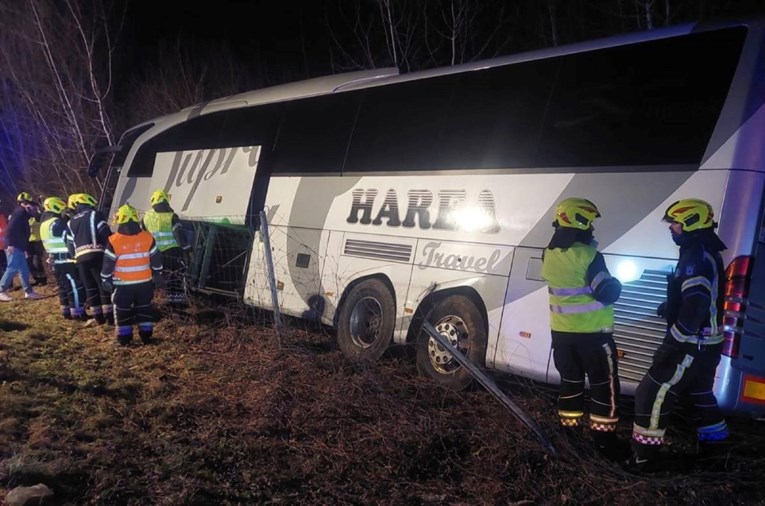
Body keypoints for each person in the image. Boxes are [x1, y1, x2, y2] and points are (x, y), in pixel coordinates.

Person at [628, 198, 729, 470]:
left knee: (651, 392)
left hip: (692, 345)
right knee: (700, 396)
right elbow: (698, 299)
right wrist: (670, 306)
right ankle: (717, 454)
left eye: (675, 222)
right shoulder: (702, 251)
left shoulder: (696, 258)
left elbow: (694, 309)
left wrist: (671, 345)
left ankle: (645, 459)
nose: (671, 228)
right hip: (708, 345)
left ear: (691, 222)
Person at [541, 197, 623, 459]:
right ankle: (604, 443)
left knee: (570, 385)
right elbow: (606, 291)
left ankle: (569, 437)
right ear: (579, 222)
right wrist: (617, 283)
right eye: (589, 223)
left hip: (562, 337)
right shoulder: (591, 256)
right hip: (594, 338)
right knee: (604, 387)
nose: (592, 229)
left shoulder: (549, 254)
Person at [101, 204, 162, 345]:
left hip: (122, 285)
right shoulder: (148, 237)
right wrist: (158, 274)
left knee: (122, 310)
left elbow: (108, 264)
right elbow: (156, 259)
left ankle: (124, 339)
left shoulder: (113, 240)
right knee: (144, 308)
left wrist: (105, 279)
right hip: (145, 283)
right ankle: (146, 336)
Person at [64, 193, 113, 324]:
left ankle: (98, 317)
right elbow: (106, 234)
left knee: (90, 287)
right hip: (97, 254)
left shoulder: (70, 222)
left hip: (80, 259)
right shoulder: (95, 215)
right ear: (90, 204)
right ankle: (109, 316)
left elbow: (69, 244)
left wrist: (75, 256)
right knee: (102, 285)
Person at [142, 189, 191, 305]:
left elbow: (143, 234)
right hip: (172, 253)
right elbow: (179, 235)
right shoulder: (171, 216)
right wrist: (188, 249)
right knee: (176, 278)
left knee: (160, 278)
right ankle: (177, 306)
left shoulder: (146, 217)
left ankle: (153, 302)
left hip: (155, 254)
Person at [40, 196, 86, 320]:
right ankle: (78, 313)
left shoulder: (44, 223)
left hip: (54, 260)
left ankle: (66, 311)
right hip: (65, 260)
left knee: (63, 287)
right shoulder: (56, 222)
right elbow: (68, 238)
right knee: (74, 286)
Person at [0, 194, 41, 301]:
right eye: (32, 206)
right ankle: (1, 290)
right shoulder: (19, 213)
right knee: (12, 268)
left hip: (19, 246)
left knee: (24, 269)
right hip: (13, 245)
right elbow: (10, 229)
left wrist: (24, 248)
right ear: (26, 205)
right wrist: (10, 244)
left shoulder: (23, 214)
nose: (34, 208)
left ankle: (29, 292)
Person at [26, 194, 47, 286]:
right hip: (28, 241)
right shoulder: (24, 216)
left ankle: (42, 279)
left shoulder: (36, 212)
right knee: (29, 262)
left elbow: (39, 220)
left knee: (36, 260)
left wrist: (35, 210)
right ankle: (36, 279)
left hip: (38, 240)